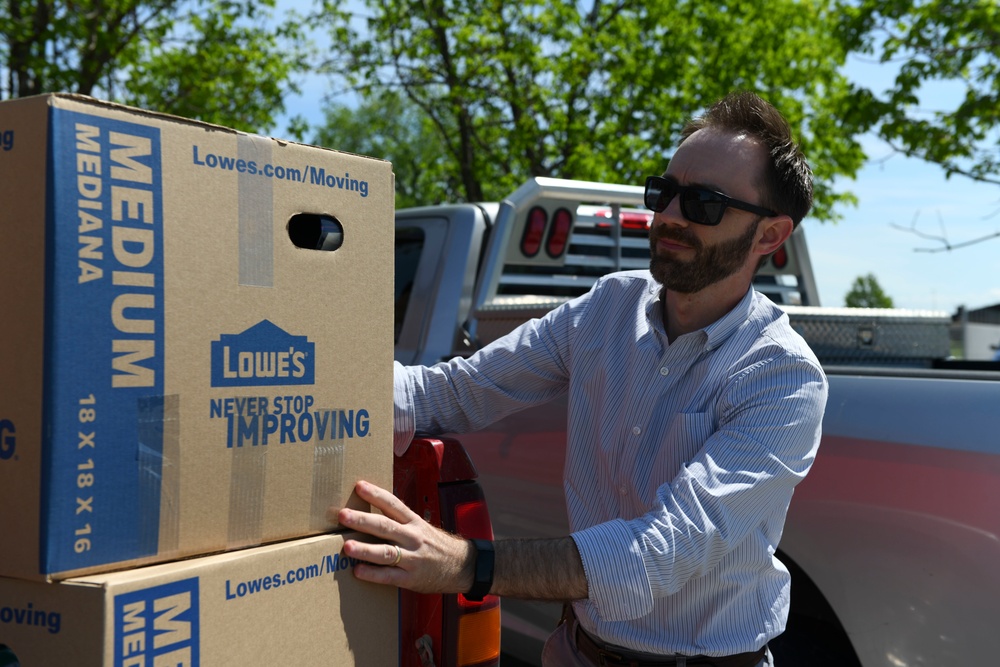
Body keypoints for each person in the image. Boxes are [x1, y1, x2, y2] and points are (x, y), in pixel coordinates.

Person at [334, 90, 829, 667]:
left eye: (704, 203)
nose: (669, 215)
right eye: (664, 192)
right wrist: (303, 388)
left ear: (770, 236)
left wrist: (465, 565)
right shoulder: (608, 309)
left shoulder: (782, 376)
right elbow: (454, 391)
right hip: (575, 651)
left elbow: (656, 553)